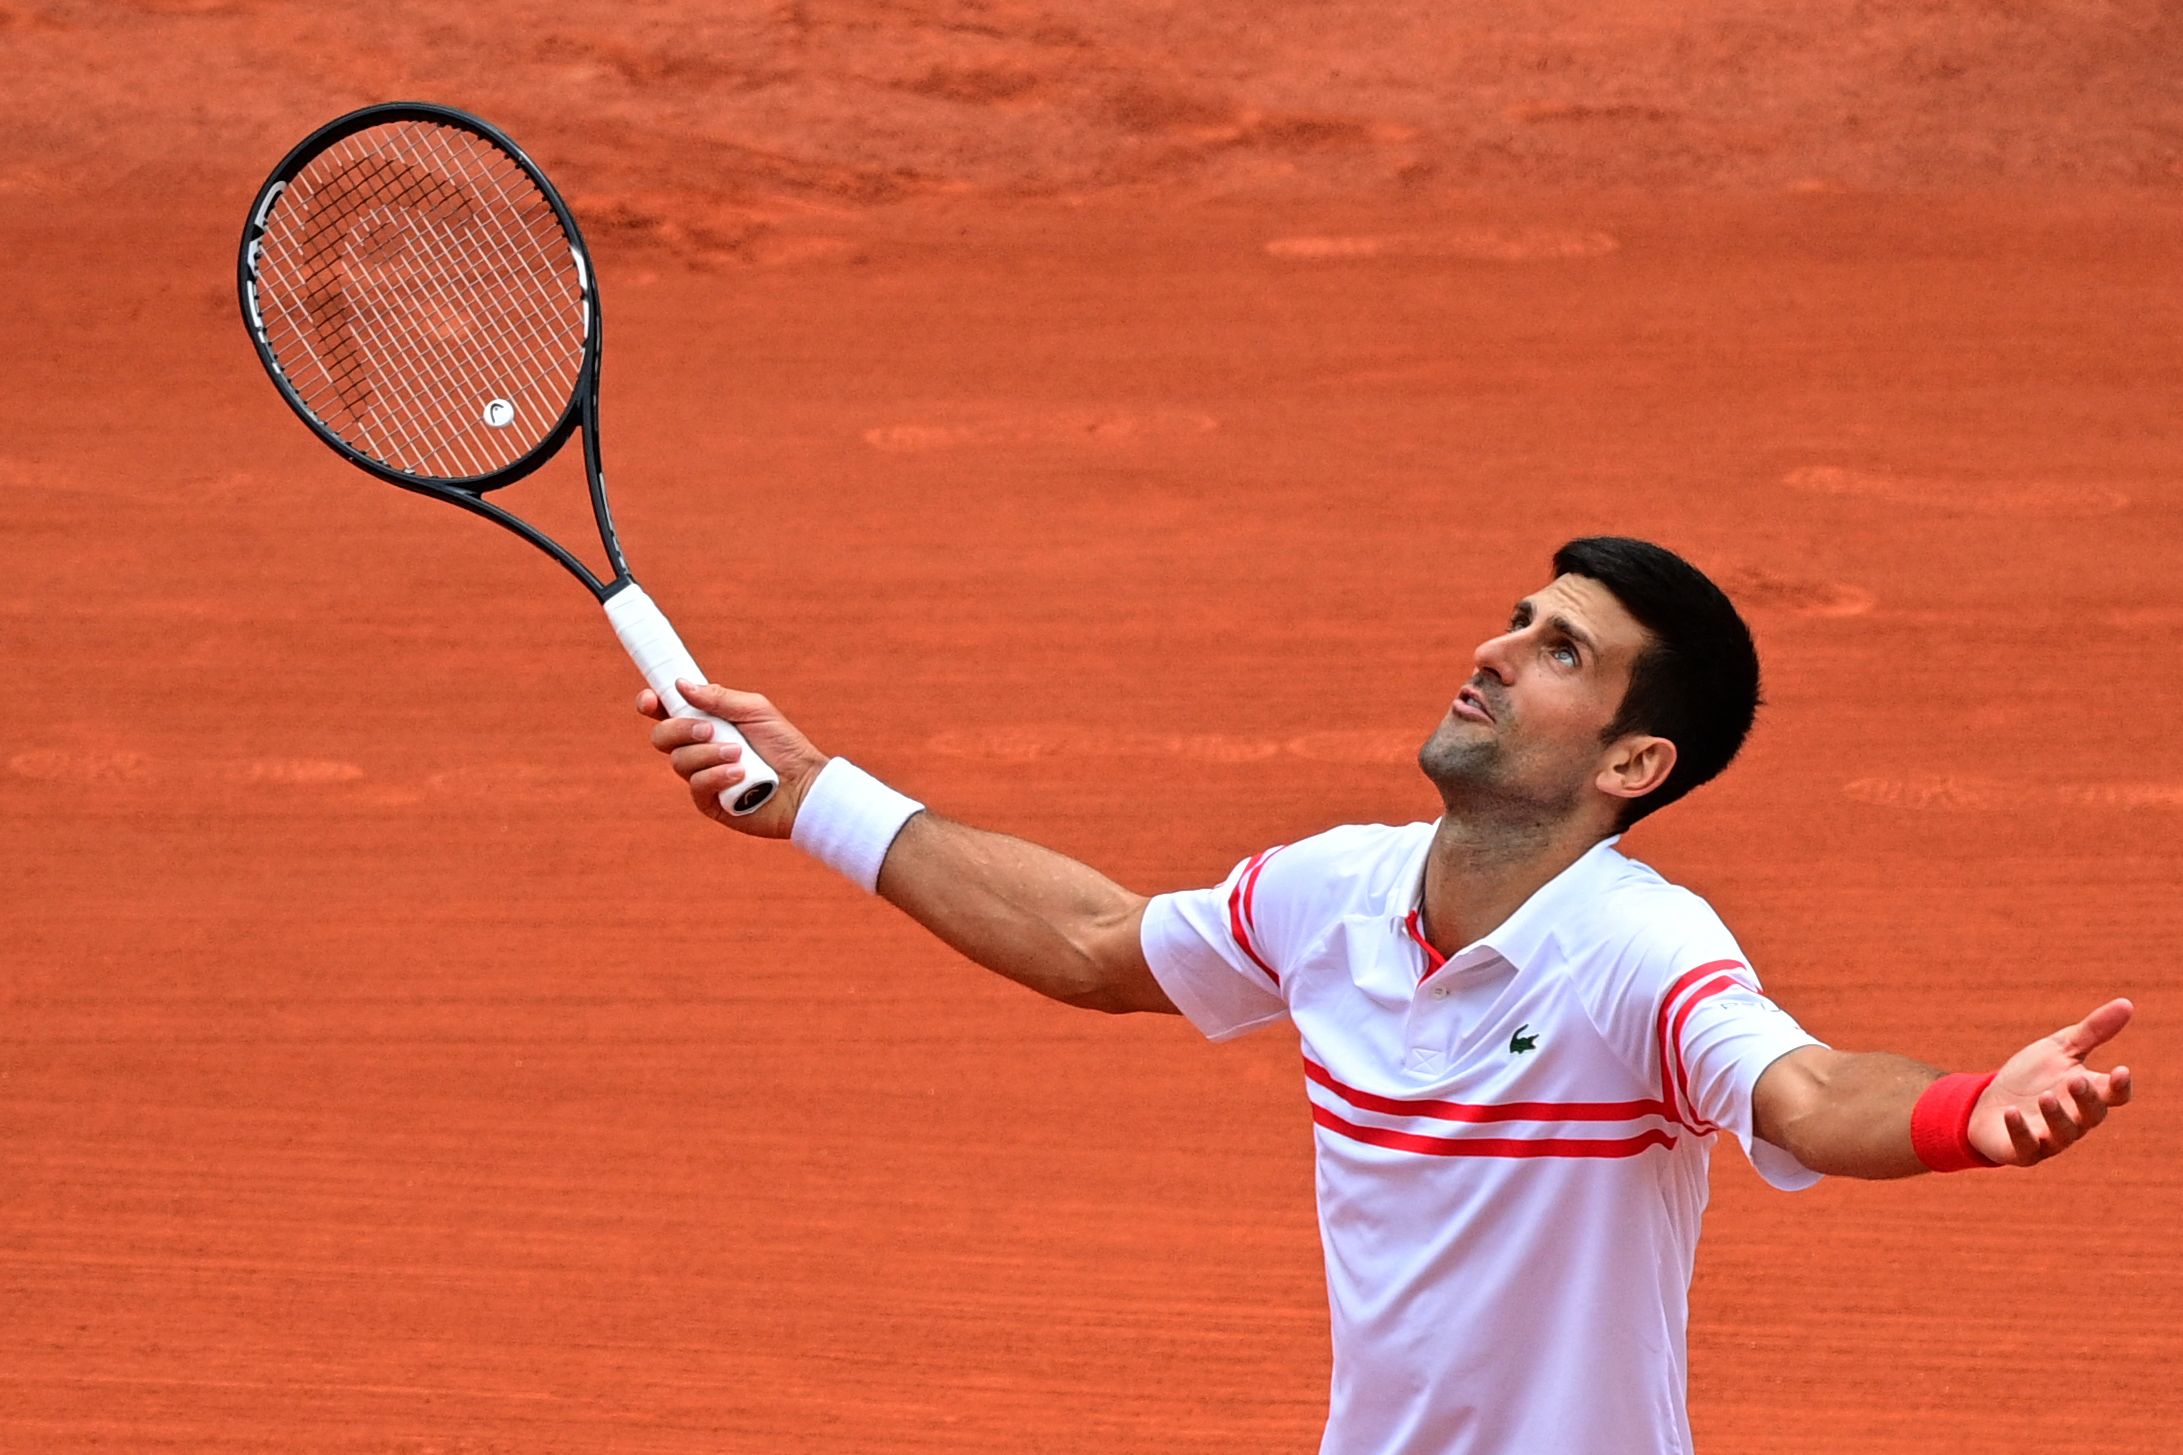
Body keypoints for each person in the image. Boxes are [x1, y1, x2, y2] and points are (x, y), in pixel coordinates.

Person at [636, 535, 2133, 1455]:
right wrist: (820, 796)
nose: (1493, 652)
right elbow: (1098, 940)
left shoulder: (1640, 951)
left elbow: (1801, 1090)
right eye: (1518, 619)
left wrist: (1954, 1112)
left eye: (1560, 652)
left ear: (1631, 766)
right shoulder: (1335, 891)